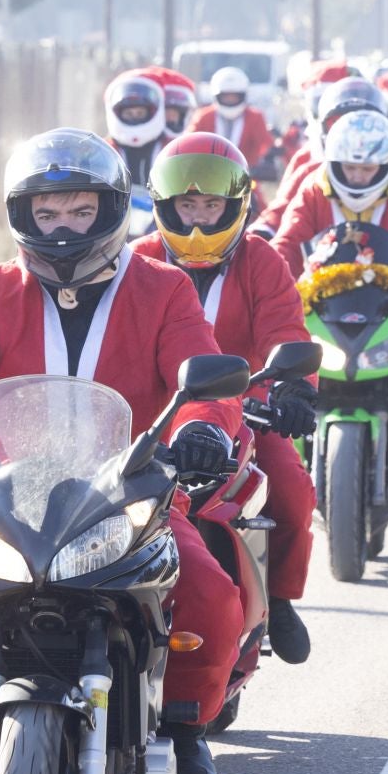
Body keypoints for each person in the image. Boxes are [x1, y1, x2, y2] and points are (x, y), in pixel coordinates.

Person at [0, 129, 248, 774]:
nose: (64, 228)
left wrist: (201, 431)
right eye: (46, 213)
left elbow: (206, 379)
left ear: (112, 211)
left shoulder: (164, 288)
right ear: (21, 217)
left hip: (128, 491)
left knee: (209, 590)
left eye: (81, 212)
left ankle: (184, 724)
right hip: (7, 494)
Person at [130, 132, 315, 665]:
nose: (198, 220)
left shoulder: (261, 259)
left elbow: (286, 328)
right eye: (186, 205)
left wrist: (294, 386)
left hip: (251, 414)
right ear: (164, 206)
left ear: (236, 206)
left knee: (293, 489)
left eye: (211, 206)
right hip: (157, 420)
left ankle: (279, 601)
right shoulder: (135, 261)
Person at [273, 113, 388, 514]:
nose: (358, 176)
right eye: (350, 167)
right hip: (320, 309)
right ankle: (271, 459)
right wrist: (269, 276)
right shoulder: (313, 191)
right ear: (333, 163)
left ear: (387, 165)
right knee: (274, 364)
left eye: (368, 168)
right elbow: (287, 242)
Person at [260, 77, 388, 234]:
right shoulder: (308, 165)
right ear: (323, 127)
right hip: (318, 254)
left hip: (385, 257)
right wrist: (262, 231)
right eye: (340, 123)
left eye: (364, 125)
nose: (353, 133)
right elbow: (282, 211)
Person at [190, 66, 276, 172]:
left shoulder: (255, 117)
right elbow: (190, 144)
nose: (230, 100)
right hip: (207, 176)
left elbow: (265, 145)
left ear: (243, 96)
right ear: (216, 96)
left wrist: (264, 158)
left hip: (246, 177)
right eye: (226, 97)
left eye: (234, 97)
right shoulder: (203, 116)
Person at [104, 71, 167, 188]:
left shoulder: (170, 148)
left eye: (140, 113)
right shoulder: (104, 150)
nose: (134, 117)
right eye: (128, 113)